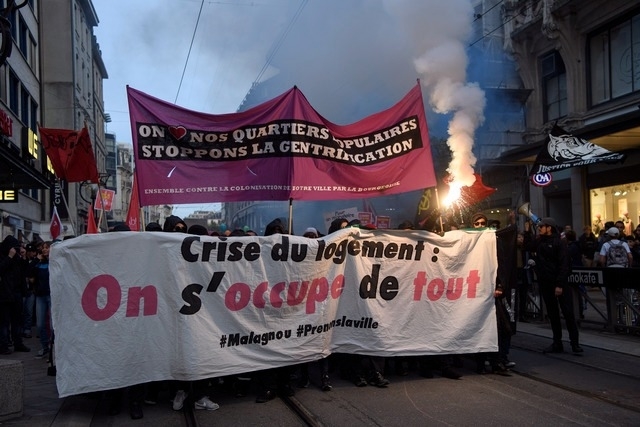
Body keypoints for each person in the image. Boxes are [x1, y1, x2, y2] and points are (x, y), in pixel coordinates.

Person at [527, 217, 583, 354]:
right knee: (553, 314)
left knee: (568, 313)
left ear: (549, 228)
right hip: (546, 282)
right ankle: (557, 342)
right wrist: (528, 232)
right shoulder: (540, 241)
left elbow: (564, 265)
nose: (539, 228)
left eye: (542, 227)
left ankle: (574, 343)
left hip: (559, 283)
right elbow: (528, 246)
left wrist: (559, 284)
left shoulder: (559, 243)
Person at [0, 236, 31, 354]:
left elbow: (25, 271)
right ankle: (3, 345)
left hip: (17, 292)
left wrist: (23, 257)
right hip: (4, 293)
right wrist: (9, 257)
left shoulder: (17, 258)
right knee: (4, 322)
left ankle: (18, 343)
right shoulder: (3, 256)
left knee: (17, 320)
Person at [27, 241, 53, 358]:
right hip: (40, 296)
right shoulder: (38, 263)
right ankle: (44, 347)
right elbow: (28, 272)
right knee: (40, 324)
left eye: (47, 247)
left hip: (51, 296)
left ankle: (53, 348)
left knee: (52, 325)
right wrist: (36, 260)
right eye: (43, 248)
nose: (44, 249)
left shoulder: (54, 262)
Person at [22, 243, 39, 339]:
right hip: (23, 290)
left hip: (31, 290)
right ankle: (21, 330)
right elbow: (25, 272)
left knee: (29, 312)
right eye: (29, 251)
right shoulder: (23, 261)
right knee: (21, 311)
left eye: (33, 251)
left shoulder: (36, 261)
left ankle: (27, 330)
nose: (31, 253)